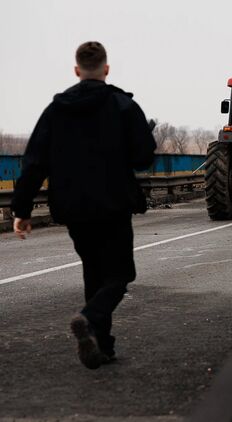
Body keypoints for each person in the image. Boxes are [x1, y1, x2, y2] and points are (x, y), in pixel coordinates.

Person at [11, 41, 156, 369]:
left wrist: (21, 210)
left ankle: (101, 345)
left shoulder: (56, 110)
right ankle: (90, 319)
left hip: (74, 208)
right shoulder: (122, 105)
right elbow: (143, 157)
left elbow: (34, 162)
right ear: (106, 68)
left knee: (94, 271)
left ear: (77, 70)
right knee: (120, 274)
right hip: (113, 205)